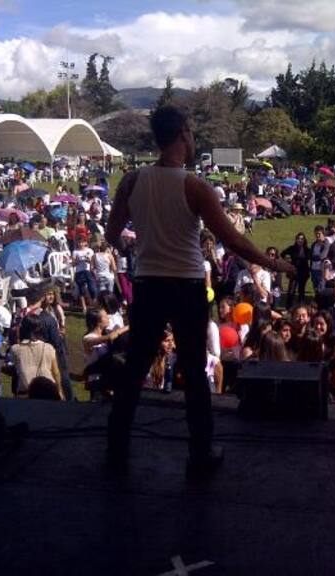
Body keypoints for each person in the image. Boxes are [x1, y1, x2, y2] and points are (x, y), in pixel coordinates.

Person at [105, 105, 295, 480]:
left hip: (147, 284)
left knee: (136, 365)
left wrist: (140, 246)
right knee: (194, 370)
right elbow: (233, 240)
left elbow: (113, 234)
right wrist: (274, 265)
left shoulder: (131, 181)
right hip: (186, 285)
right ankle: (200, 451)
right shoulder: (194, 186)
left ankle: (116, 443)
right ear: (183, 134)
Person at [9, 314, 62, 398]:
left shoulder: (15, 349)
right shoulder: (49, 348)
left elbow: (13, 368)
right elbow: (56, 373)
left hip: (25, 394)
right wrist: (59, 391)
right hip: (48, 392)